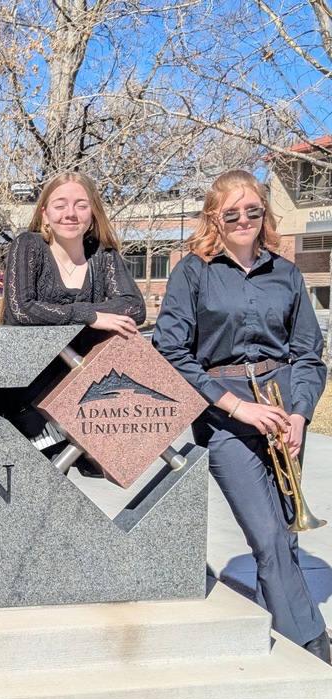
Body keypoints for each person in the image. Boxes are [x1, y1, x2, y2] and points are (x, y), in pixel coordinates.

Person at [153, 170, 329, 664]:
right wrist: (236, 406)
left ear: (265, 214)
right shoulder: (192, 271)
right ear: (214, 217)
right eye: (231, 212)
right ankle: (312, 645)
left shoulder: (287, 273)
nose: (243, 219)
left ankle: (286, 624)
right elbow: (170, 350)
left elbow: (309, 354)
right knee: (268, 534)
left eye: (253, 210)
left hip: (282, 405)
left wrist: (299, 415)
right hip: (225, 413)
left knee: (288, 529)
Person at [0, 172, 145, 437]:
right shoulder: (28, 245)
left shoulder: (103, 254)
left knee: (63, 474)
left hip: (73, 394)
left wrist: (86, 315)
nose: (71, 213)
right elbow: (22, 309)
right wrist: (88, 314)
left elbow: (134, 307)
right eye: (60, 204)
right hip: (17, 392)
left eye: (81, 205)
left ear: (93, 213)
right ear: (45, 213)